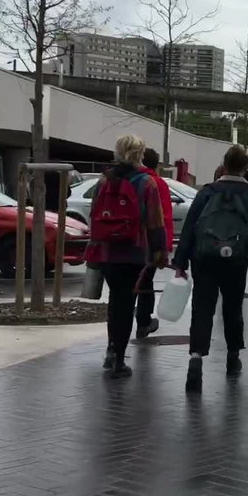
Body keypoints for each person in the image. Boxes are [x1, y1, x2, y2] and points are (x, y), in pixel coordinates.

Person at [172, 145, 248, 392]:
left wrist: (180, 262)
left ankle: (196, 359)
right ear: (245, 168)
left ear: (224, 165)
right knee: (233, 307)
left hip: (204, 258)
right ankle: (233, 357)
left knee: (202, 307)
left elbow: (190, 228)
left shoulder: (206, 193)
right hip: (235, 260)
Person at [85, 134, 167, 379]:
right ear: (140, 153)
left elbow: (94, 214)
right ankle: (119, 360)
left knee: (114, 302)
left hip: (107, 250)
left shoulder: (104, 180)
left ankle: (111, 349)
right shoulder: (147, 183)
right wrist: (160, 250)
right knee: (127, 303)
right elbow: (155, 221)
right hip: (135, 251)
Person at [134, 147, 174, 339]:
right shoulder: (156, 183)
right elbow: (164, 217)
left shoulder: (128, 179)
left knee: (124, 289)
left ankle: (116, 337)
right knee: (145, 283)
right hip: (149, 244)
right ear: (156, 165)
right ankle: (143, 322)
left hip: (126, 243)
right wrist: (165, 247)